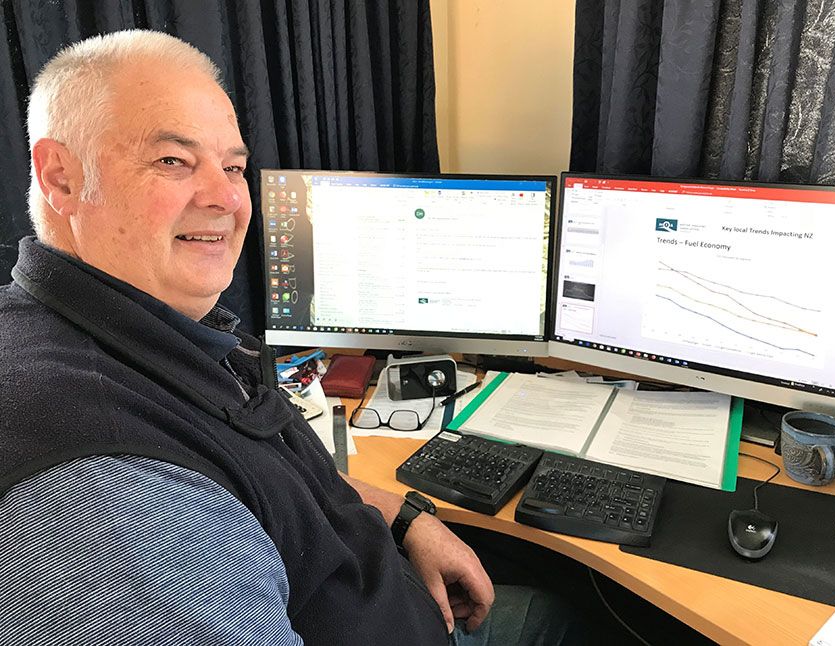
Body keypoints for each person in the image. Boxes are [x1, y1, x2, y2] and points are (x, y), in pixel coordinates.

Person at [0, 30, 587, 646]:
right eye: (173, 160)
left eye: (232, 166)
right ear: (61, 178)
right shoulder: (108, 506)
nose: (228, 198)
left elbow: (277, 479)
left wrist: (407, 517)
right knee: (563, 622)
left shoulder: (151, 335)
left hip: (400, 594)